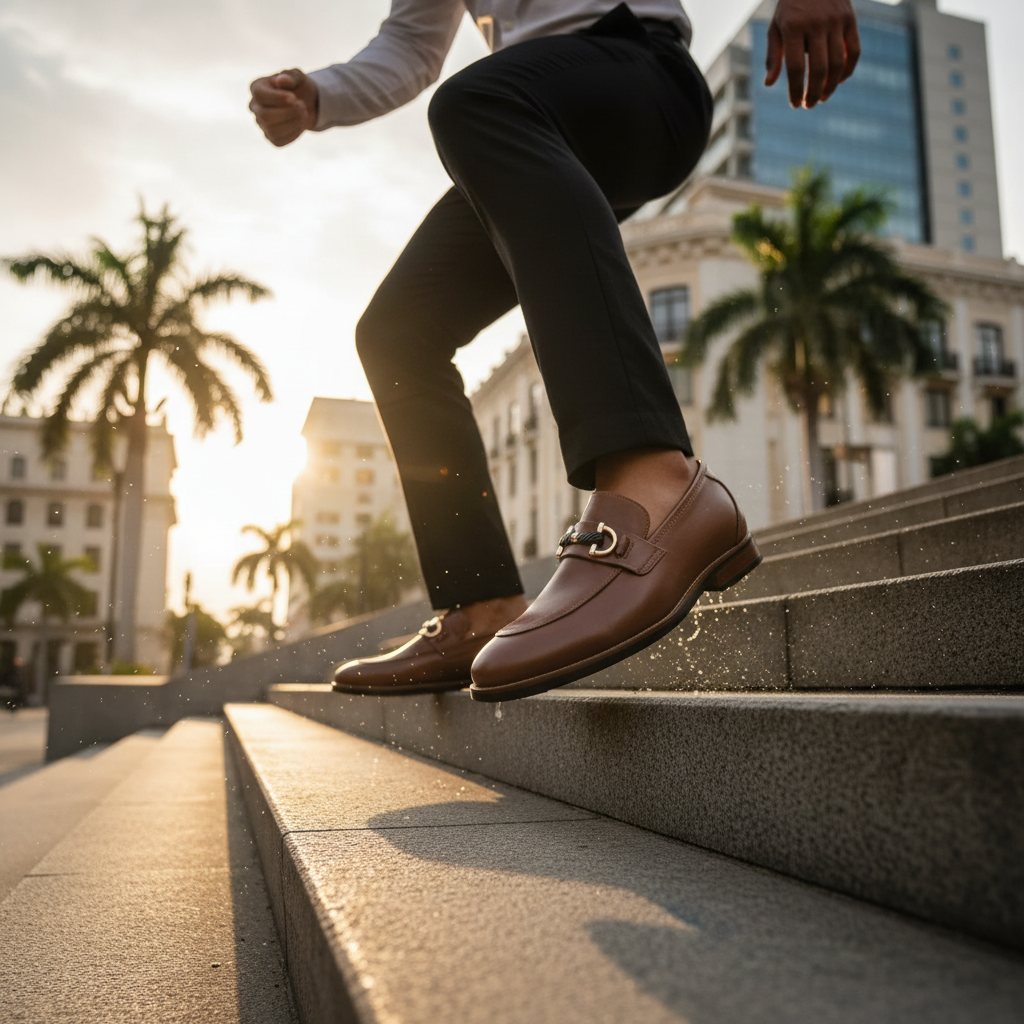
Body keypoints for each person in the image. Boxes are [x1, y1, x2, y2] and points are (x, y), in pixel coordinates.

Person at [250, 0, 860, 701]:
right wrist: (320, 94)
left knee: (475, 102)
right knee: (397, 331)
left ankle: (655, 485)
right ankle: (481, 606)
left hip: (639, 74)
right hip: (528, 116)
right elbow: (413, 45)